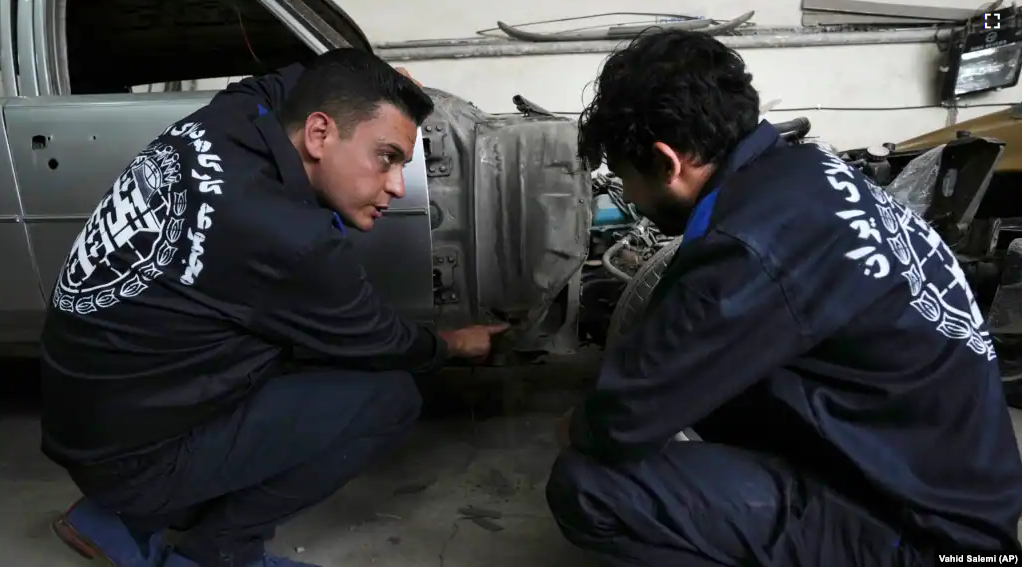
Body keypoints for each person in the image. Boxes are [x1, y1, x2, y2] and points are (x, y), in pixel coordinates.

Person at [545, 29, 1022, 566]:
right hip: (947, 489)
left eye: (625, 176)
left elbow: (620, 422)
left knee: (590, 485)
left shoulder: (750, 245)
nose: (628, 196)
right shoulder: (808, 172)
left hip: (927, 538)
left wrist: (583, 424)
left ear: (666, 161)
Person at [40, 49, 506, 567]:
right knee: (389, 396)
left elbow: (279, 84)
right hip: (135, 462)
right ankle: (218, 551)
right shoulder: (290, 239)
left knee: (291, 345)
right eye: (387, 156)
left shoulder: (227, 118)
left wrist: (370, 76)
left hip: (86, 421)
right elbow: (385, 341)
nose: (397, 184)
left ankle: (113, 517)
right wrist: (454, 344)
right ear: (319, 133)